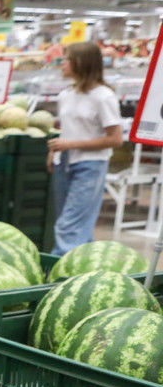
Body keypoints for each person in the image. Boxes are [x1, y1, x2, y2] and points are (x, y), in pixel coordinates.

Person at [47, 41, 123, 255]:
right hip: (64, 163)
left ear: (81, 63)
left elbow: (116, 139)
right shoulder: (66, 95)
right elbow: (69, 130)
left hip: (90, 165)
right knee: (75, 223)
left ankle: (58, 275)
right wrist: (55, 151)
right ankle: (85, 268)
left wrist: (70, 144)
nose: (62, 64)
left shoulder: (103, 97)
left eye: (66, 59)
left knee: (69, 226)